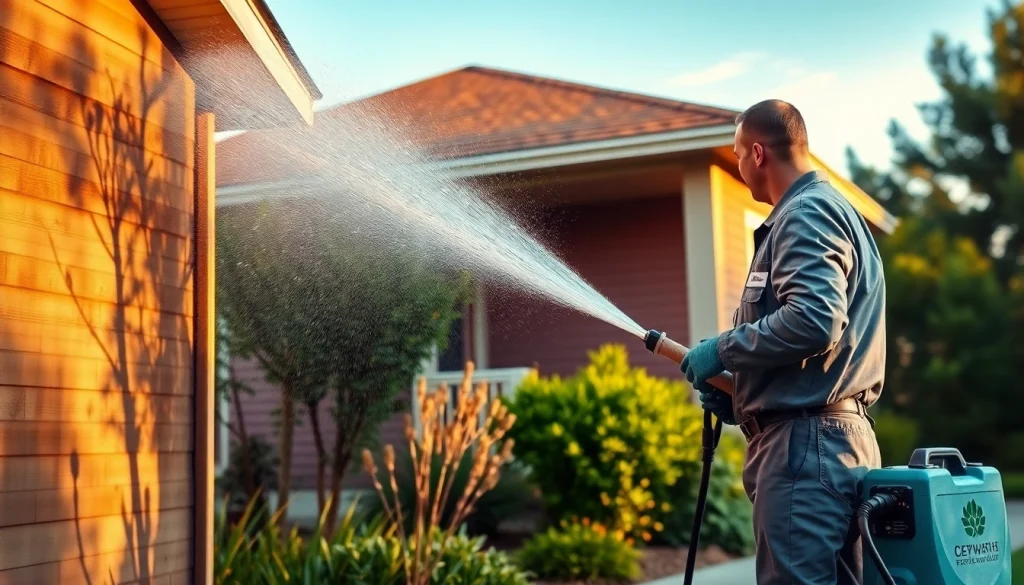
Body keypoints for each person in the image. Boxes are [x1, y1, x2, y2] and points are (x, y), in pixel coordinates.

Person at [680, 99, 886, 585]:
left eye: (736, 154)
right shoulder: (831, 210)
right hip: (828, 444)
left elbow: (815, 320)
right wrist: (743, 393)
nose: (737, 164)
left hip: (806, 454)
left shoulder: (805, 213)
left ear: (757, 152)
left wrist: (723, 348)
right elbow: (820, 347)